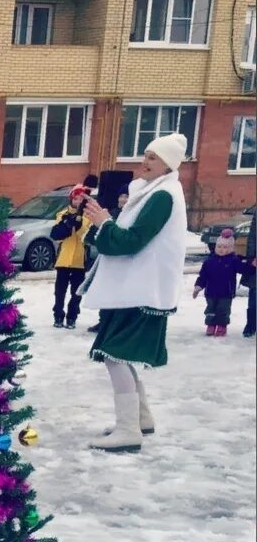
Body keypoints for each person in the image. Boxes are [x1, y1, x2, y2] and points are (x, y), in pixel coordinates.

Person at [81, 133, 190, 453]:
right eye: (145, 154)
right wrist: (102, 223)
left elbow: (132, 241)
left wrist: (104, 223)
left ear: (168, 165)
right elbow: (123, 237)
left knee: (115, 355)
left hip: (143, 291)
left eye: (153, 158)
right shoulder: (151, 192)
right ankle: (140, 418)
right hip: (136, 289)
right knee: (118, 354)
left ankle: (129, 429)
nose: (145, 161)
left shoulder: (163, 196)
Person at [49, 185, 93, 329]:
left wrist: (79, 224)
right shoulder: (62, 213)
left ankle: (72, 316)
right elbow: (57, 236)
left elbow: (85, 237)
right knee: (59, 291)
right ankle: (58, 315)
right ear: (71, 199)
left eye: (81, 199)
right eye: (75, 198)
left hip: (79, 260)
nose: (78, 201)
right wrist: (67, 224)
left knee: (76, 292)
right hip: (63, 259)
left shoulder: (88, 216)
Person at [193, 230, 252, 337]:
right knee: (210, 309)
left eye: (225, 247)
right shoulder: (209, 261)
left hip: (226, 293)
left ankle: (221, 326)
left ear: (230, 249)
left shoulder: (233, 261)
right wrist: (198, 287)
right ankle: (211, 325)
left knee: (223, 310)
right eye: (219, 246)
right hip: (211, 292)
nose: (221, 249)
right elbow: (203, 276)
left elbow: (244, 269)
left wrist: (252, 266)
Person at [89, 188, 128, 333]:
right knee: (105, 291)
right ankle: (103, 321)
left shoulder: (131, 216)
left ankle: (116, 324)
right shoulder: (112, 213)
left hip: (122, 262)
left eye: (126, 196)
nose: (123, 199)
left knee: (119, 294)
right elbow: (97, 234)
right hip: (107, 259)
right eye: (121, 196)